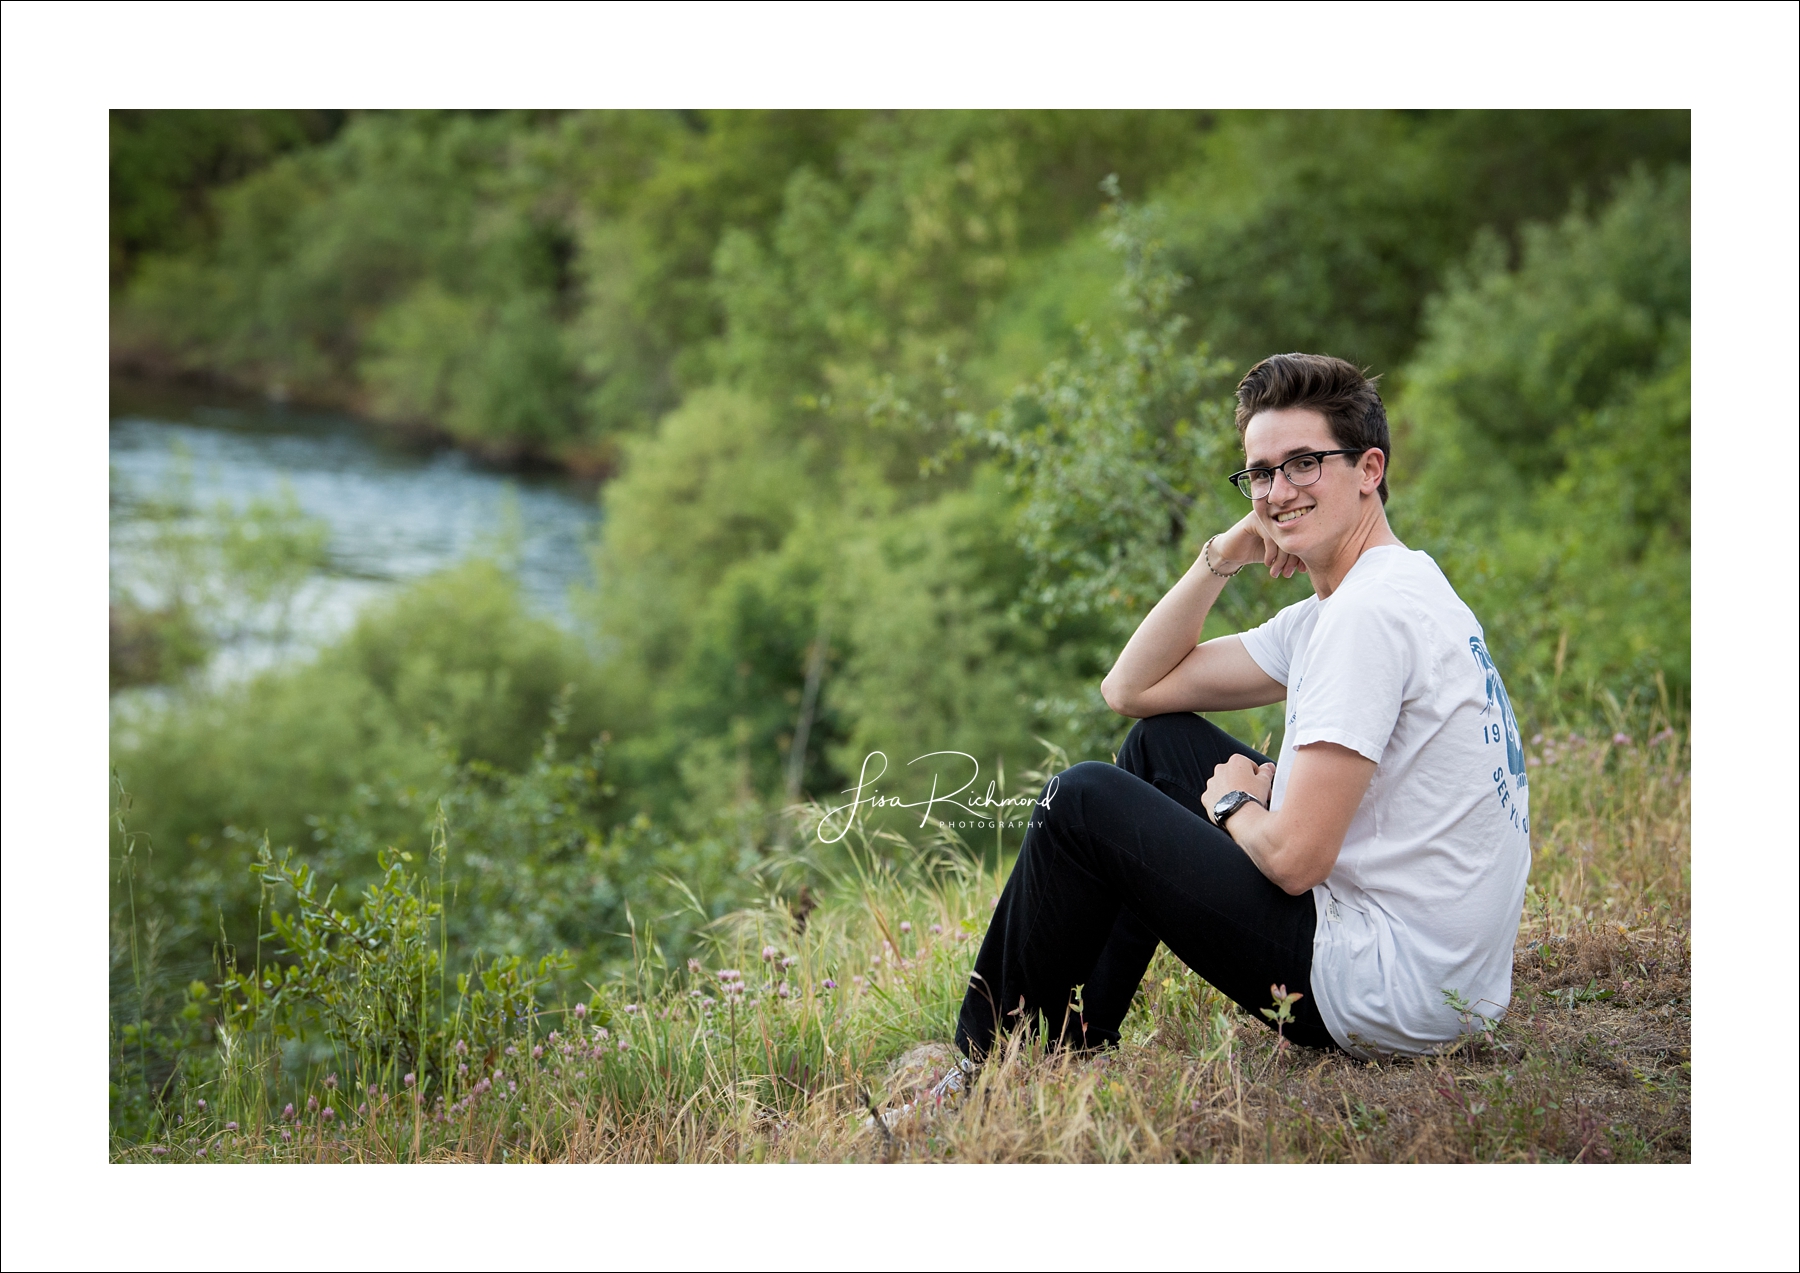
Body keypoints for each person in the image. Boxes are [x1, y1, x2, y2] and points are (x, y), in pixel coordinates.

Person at [953, 352, 1532, 1061]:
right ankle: (1074, 1039)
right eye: (1261, 472)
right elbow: (1130, 690)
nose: (1278, 490)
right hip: (1438, 974)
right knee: (1155, 747)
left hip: (1386, 987)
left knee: (1080, 800)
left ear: (1370, 469)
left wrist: (1235, 805)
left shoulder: (1365, 619)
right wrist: (1226, 551)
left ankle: (983, 1064)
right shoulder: (1380, 591)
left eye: (1304, 462)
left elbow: (1294, 860)